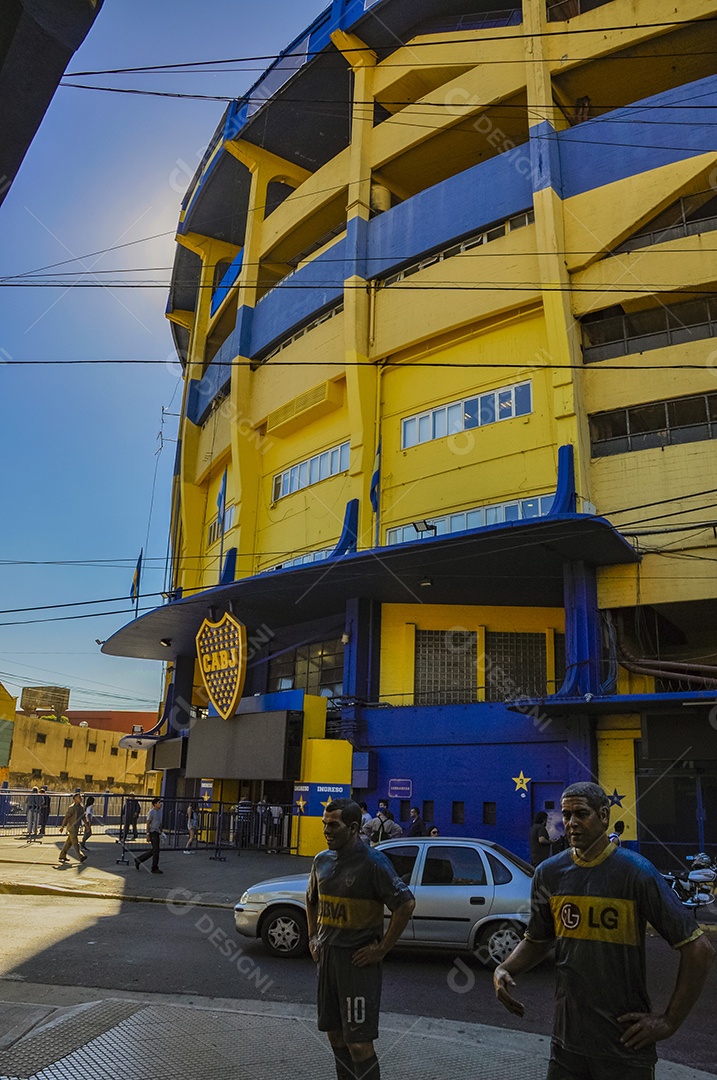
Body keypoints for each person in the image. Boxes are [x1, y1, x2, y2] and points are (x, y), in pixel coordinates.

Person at [494, 781, 714, 1079]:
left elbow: (698, 950)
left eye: (581, 814)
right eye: (566, 815)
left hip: (624, 1049)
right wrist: (506, 968)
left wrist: (668, 1021)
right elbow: (538, 939)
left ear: (604, 815)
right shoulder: (549, 873)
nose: (571, 823)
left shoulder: (636, 872)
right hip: (566, 1045)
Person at [306, 798, 415, 1080]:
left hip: (357, 963)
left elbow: (405, 904)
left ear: (353, 828)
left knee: (358, 1044)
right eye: (324, 824)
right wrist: (312, 937)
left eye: (334, 825)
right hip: (328, 959)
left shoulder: (373, 863)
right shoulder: (321, 861)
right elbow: (311, 900)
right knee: (335, 1037)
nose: (326, 831)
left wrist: (381, 949)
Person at [135, 797, 164, 874]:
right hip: (152, 832)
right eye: (158, 802)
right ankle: (154, 867)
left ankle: (139, 860)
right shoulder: (151, 812)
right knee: (156, 850)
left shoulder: (159, 812)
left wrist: (162, 831)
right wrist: (147, 834)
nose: (160, 804)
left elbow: (159, 822)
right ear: (155, 804)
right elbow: (148, 823)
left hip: (157, 832)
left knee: (155, 850)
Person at [58, 792, 87, 863]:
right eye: (79, 797)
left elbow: (83, 817)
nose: (81, 798)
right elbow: (66, 818)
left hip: (76, 827)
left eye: (81, 797)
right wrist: (62, 827)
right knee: (75, 843)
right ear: (74, 799)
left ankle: (62, 855)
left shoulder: (81, 807)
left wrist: (87, 825)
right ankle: (80, 856)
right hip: (71, 828)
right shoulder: (72, 808)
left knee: (69, 843)